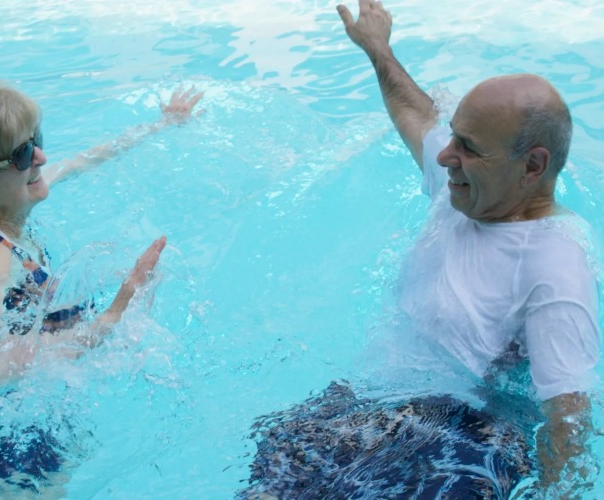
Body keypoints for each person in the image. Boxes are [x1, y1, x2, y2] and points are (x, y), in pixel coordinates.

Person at [239, 1, 600, 497]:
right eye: (454, 137)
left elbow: (569, 417)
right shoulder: (469, 192)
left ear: (533, 166)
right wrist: (378, 48)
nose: (447, 156)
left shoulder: (554, 267)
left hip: (458, 435)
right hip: (363, 402)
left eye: (469, 147)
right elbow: (415, 110)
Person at [0, 77, 202, 387]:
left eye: (36, 139)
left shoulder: (5, 201)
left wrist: (163, 124)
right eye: (22, 153)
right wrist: (108, 320)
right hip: (5, 425)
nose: (41, 158)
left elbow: (83, 161)